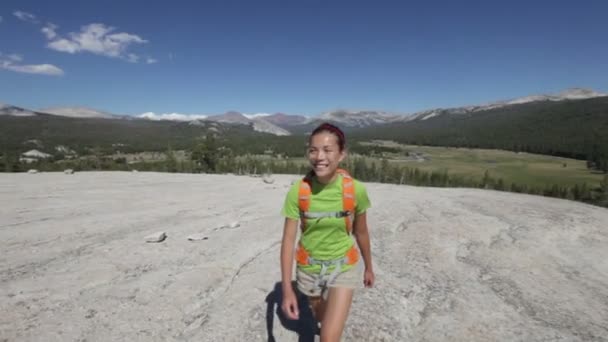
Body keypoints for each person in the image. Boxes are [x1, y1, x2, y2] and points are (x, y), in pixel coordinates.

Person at [280, 122, 375, 341]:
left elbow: (361, 232)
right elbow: (287, 241)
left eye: (327, 150)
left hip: (343, 266)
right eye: (313, 150)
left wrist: (369, 267)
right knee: (320, 315)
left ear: (341, 154)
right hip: (308, 269)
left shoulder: (355, 190)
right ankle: (323, 315)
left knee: (328, 338)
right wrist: (287, 289)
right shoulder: (298, 191)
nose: (319, 157)